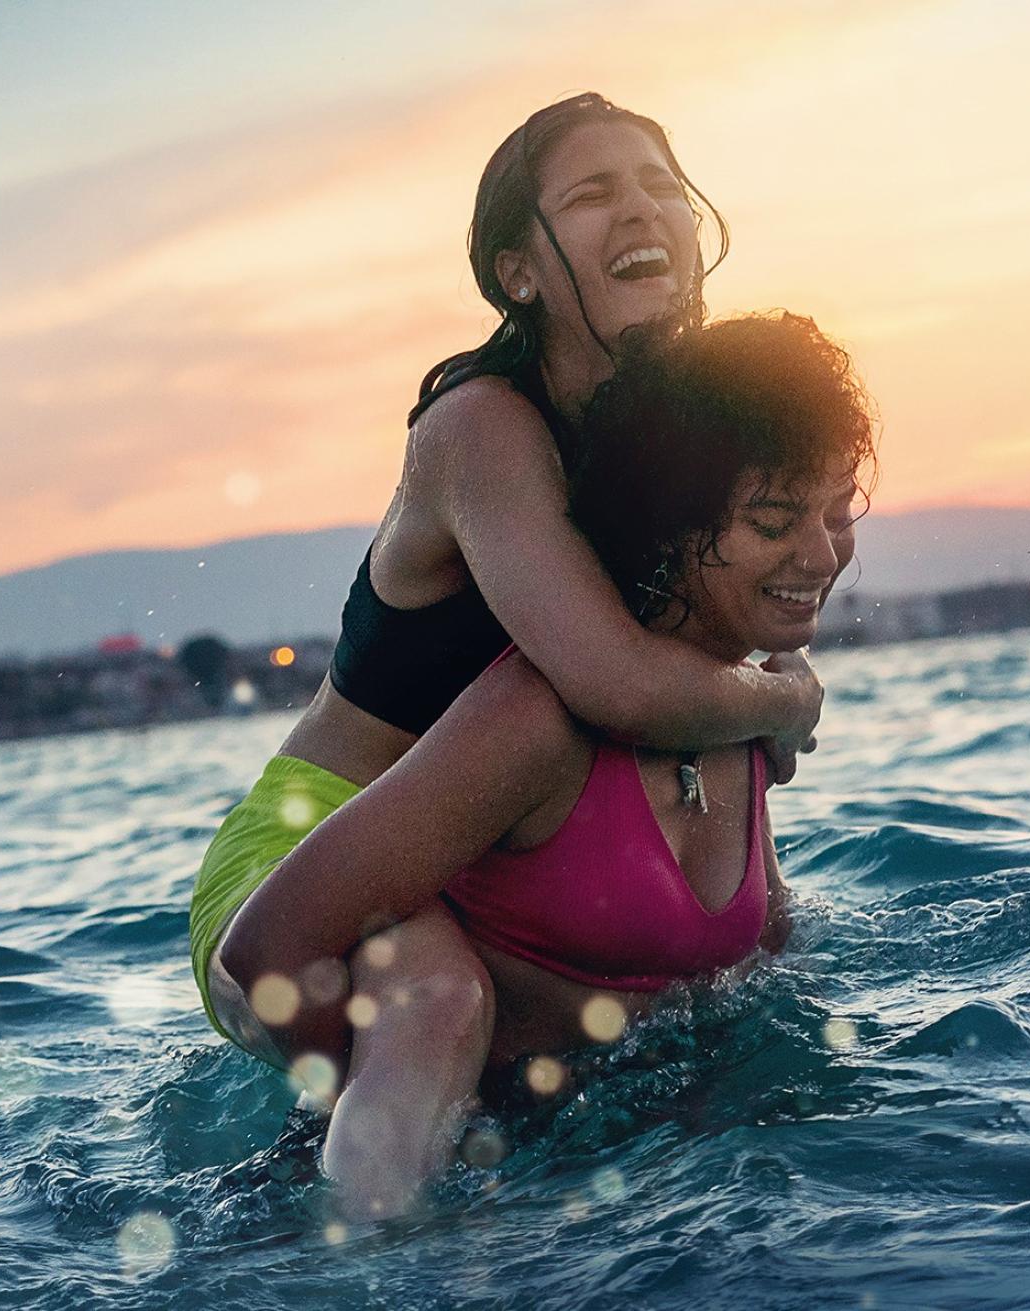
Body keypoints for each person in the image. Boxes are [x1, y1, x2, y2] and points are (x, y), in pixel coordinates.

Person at [188, 96, 824, 1086]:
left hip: (482, 860)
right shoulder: (480, 430)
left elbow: (693, 660)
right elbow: (624, 686)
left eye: (664, 187)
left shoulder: (677, 435)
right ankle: (321, 1216)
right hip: (310, 853)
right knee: (442, 1008)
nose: (643, 211)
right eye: (592, 194)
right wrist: (787, 699)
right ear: (516, 273)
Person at [225, 312, 876, 1217]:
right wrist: (390, 1104)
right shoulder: (534, 720)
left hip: (626, 1190)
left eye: (838, 511)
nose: (822, 553)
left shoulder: (741, 709)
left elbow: (764, 968)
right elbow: (267, 949)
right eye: (775, 520)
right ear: (670, 524)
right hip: (457, 1209)